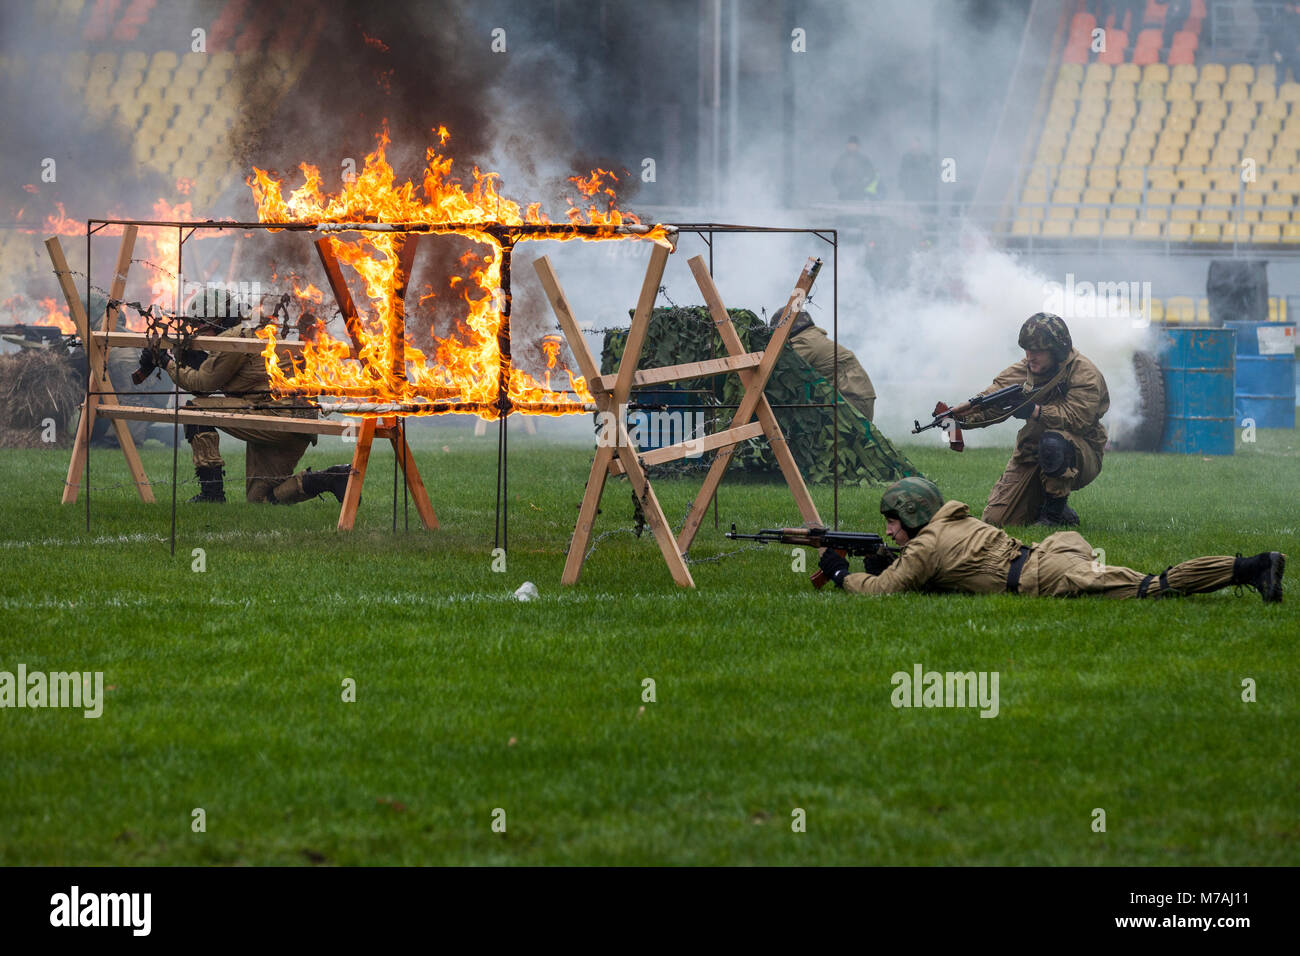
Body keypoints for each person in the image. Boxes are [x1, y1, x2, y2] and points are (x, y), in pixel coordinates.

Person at [817, 477, 1285, 602]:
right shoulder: (952, 521)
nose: (891, 530)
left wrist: (842, 574)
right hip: (1054, 549)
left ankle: (1254, 566)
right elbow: (922, 569)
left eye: (895, 521)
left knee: (1150, 587)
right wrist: (885, 561)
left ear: (916, 516)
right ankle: (1252, 568)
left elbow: (884, 591)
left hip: (1048, 573)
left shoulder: (924, 547)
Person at [153, 295, 352, 504]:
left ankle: (211, 494)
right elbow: (238, 381)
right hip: (298, 422)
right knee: (259, 500)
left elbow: (202, 383)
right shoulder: (257, 330)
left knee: (194, 412)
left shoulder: (234, 337)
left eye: (197, 324)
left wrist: (166, 362)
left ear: (215, 320)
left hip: (275, 415)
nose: (195, 331)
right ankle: (332, 478)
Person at [961, 313, 1107, 528]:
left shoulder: (1084, 374)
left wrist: (1035, 411)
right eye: (1027, 350)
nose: (1030, 356)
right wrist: (959, 419)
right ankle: (1051, 508)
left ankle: (1053, 517)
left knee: (1054, 441)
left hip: (1080, 452)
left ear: (1057, 350)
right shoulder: (1025, 371)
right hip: (1032, 452)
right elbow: (991, 399)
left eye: (1037, 351)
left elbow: (1078, 419)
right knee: (996, 521)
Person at [772, 305, 877, 421]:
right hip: (857, 394)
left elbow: (779, 368)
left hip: (852, 396)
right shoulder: (811, 336)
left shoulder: (806, 342)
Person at [831, 136, 879, 201]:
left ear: (858, 146)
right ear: (847, 146)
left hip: (860, 193)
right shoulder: (842, 159)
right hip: (844, 193)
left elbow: (872, 175)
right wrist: (841, 186)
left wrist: (862, 186)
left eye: (854, 145)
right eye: (850, 145)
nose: (852, 147)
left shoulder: (864, 160)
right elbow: (834, 175)